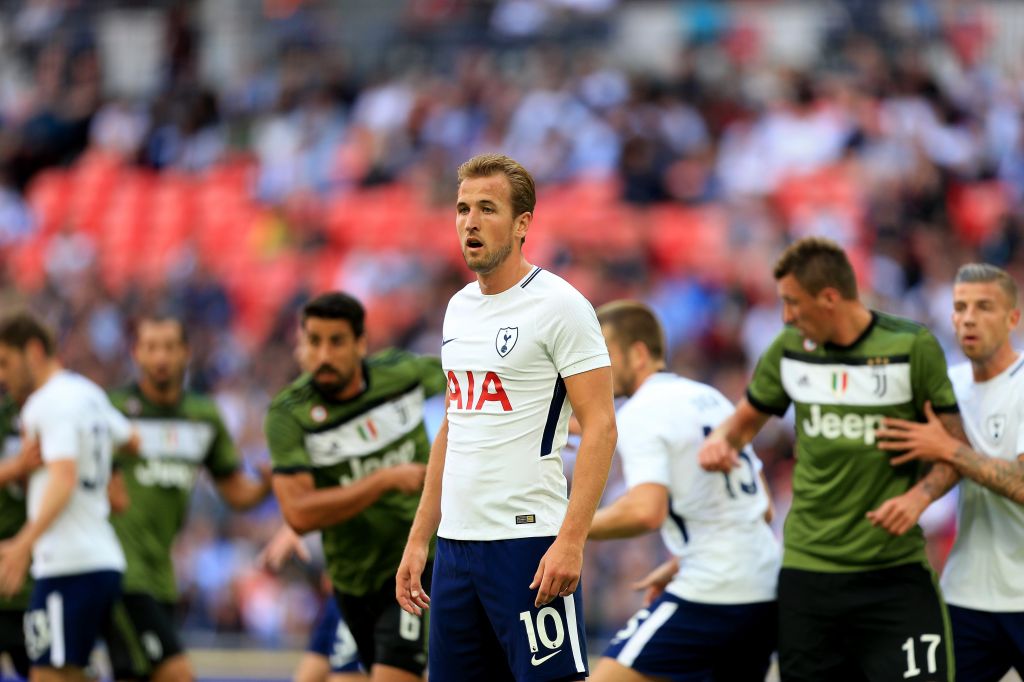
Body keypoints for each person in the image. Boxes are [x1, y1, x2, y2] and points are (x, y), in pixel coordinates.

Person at [698, 237, 964, 682]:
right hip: (809, 575)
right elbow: (741, 424)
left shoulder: (911, 348)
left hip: (893, 575)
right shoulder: (789, 350)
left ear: (829, 298)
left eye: (792, 303)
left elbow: (955, 452)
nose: (785, 316)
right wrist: (721, 441)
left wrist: (918, 499)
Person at [396, 153, 617, 682]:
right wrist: (420, 537)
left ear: (522, 225)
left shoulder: (561, 306)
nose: (470, 221)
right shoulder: (458, 309)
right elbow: (455, 426)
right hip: (455, 548)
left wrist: (571, 540)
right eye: (463, 208)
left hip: (527, 546)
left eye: (487, 208)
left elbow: (602, 427)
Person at [587, 300, 779, 682]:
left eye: (604, 353)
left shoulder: (642, 410)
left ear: (638, 353)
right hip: (764, 588)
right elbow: (764, 507)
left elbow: (645, 510)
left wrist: (564, 529)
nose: (598, 367)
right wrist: (682, 560)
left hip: (715, 589)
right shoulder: (706, 396)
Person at [266, 292, 446, 682]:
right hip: (349, 579)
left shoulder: (402, 374)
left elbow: (474, 384)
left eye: (336, 341)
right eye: (314, 341)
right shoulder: (290, 414)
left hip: (414, 561)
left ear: (361, 344)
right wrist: (382, 481)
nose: (324, 354)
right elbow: (299, 512)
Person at [103, 314, 272, 682]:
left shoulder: (202, 416)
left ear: (186, 353)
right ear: (136, 354)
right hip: (120, 573)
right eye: (150, 348)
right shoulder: (112, 411)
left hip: (162, 576)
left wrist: (266, 486)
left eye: (168, 347)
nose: (160, 357)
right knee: (177, 674)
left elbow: (234, 491)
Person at [876, 263, 1024, 681]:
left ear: (1013, 318)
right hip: (967, 596)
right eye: (960, 307)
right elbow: (934, 463)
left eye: (984, 307)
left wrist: (950, 450)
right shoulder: (947, 387)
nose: (969, 318)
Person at [0, 312, 130, 681]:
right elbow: (130, 437)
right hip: (99, 557)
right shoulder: (89, 394)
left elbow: (64, 477)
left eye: (6, 362)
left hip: (67, 563)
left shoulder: (46, 402)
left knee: (48, 676)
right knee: (67, 674)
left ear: (34, 351)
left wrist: (24, 542)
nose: (2, 375)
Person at [257, 524, 367, 682]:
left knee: (345, 676)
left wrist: (296, 526)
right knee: (307, 677)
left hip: (362, 588)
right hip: (340, 592)